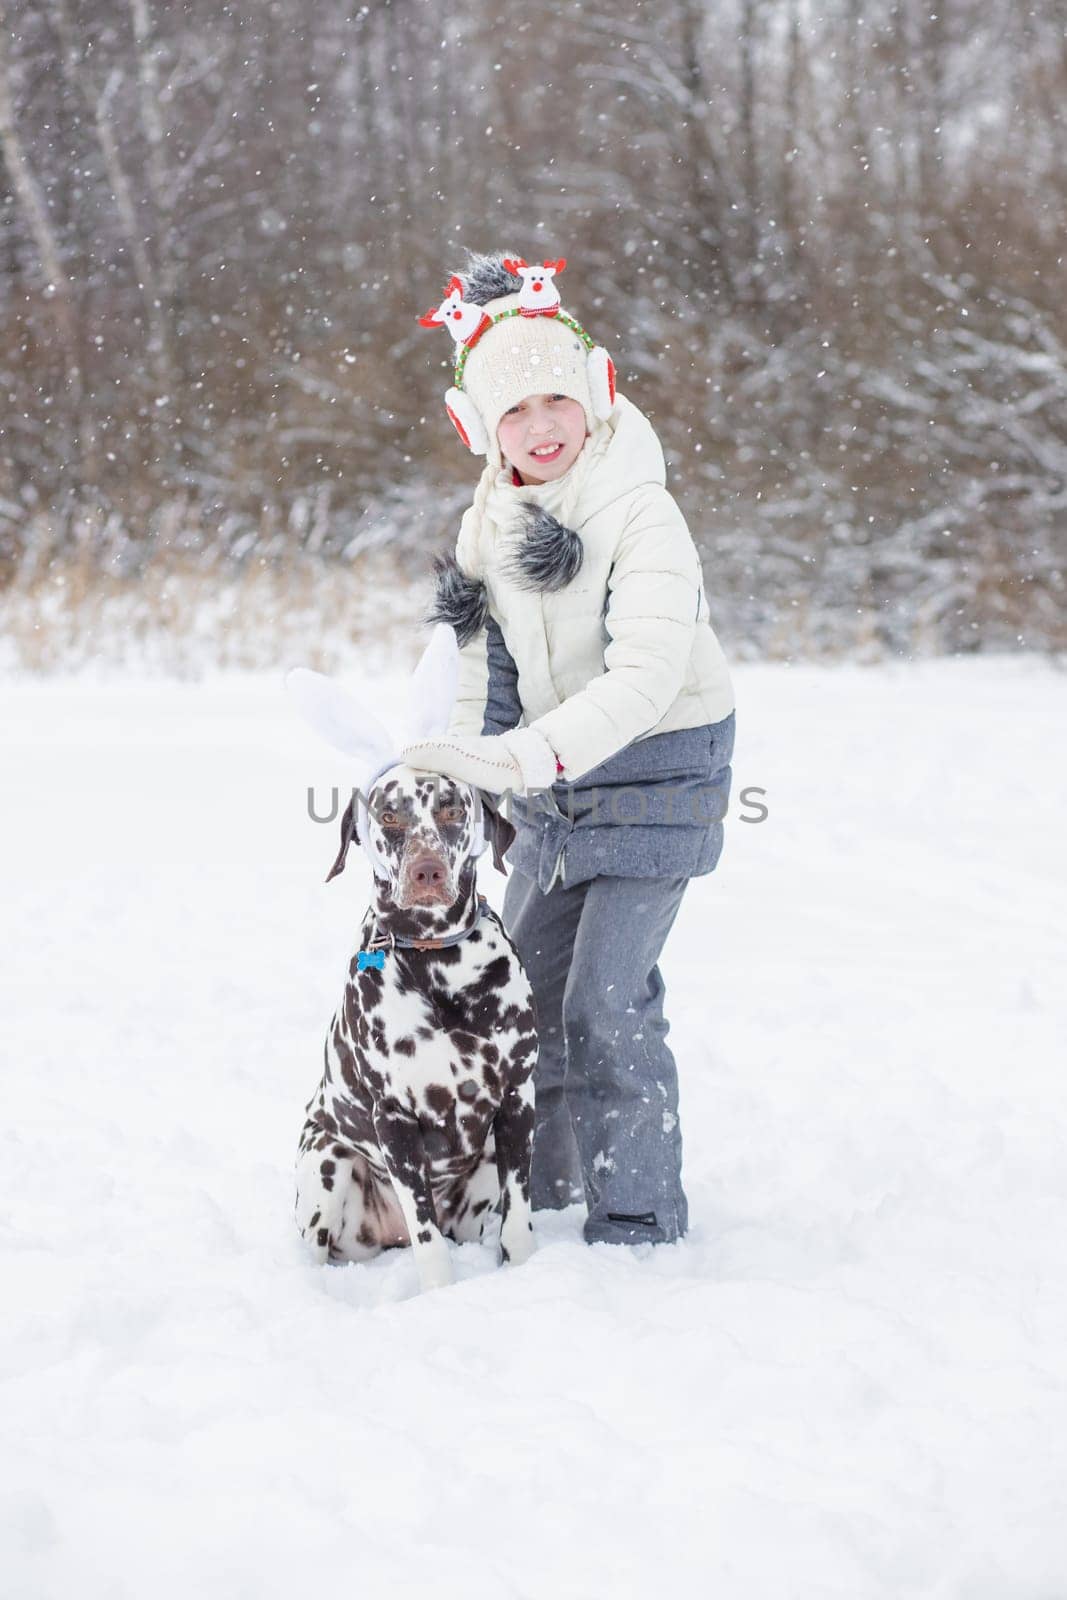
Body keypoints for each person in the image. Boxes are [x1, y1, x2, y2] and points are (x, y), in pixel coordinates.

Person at [400, 249, 735, 1247]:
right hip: (553, 789)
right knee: (522, 995)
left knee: (604, 1001)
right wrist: (452, 763)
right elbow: (474, 666)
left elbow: (640, 679)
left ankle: (635, 1216)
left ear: (594, 396)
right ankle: (528, 1198)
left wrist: (517, 761)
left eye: (557, 399)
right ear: (478, 428)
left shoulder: (642, 513)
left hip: (660, 773)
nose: (541, 426)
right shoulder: (488, 525)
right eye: (513, 411)